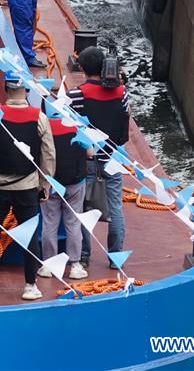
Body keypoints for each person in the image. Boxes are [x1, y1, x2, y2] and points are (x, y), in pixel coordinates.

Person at [0, 71, 55, 300]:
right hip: (27, 187)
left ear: (5, 88)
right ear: (26, 89)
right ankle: (30, 286)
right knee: (30, 235)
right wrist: (45, 183)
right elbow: (48, 153)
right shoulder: (39, 117)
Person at [68, 46, 130, 268]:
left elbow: (69, 125)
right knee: (115, 208)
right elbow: (125, 117)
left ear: (82, 68)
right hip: (113, 157)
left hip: (86, 159)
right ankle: (115, 257)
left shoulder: (76, 94)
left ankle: (84, 256)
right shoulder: (122, 92)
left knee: (84, 208)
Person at [37, 113, 91, 281]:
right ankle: (75, 265)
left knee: (49, 223)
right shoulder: (77, 126)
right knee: (73, 223)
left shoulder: (42, 127)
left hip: (51, 183)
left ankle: (48, 265)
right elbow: (90, 153)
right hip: (75, 183)